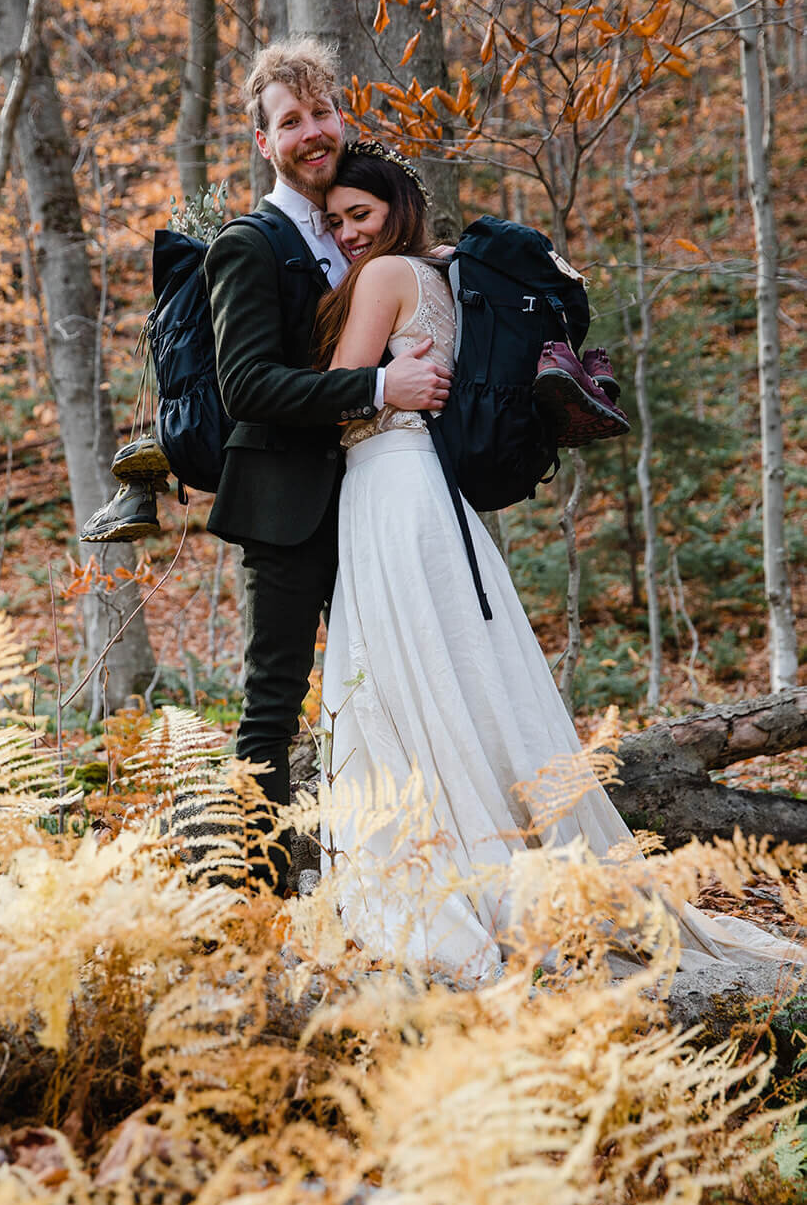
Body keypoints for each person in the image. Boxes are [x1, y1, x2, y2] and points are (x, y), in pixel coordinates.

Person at [315, 140, 802, 984]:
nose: (349, 232)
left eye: (360, 214)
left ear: (397, 209)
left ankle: (441, 871)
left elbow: (335, 392)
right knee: (457, 673)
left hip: (389, 491)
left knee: (398, 675)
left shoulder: (388, 277)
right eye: (334, 222)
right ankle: (506, 855)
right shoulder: (447, 279)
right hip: (432, 498)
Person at [198, 39, 451, 886]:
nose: (312, 132)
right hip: (288, 504)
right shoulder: (249, 242)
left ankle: (400, 868)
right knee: (273, 702)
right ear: (263, 143)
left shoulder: (361, 222)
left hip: (379, 498)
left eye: (321, 113)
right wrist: (378, 384)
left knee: (388, 683)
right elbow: (246, 385)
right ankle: (254, 892)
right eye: (289, 121)